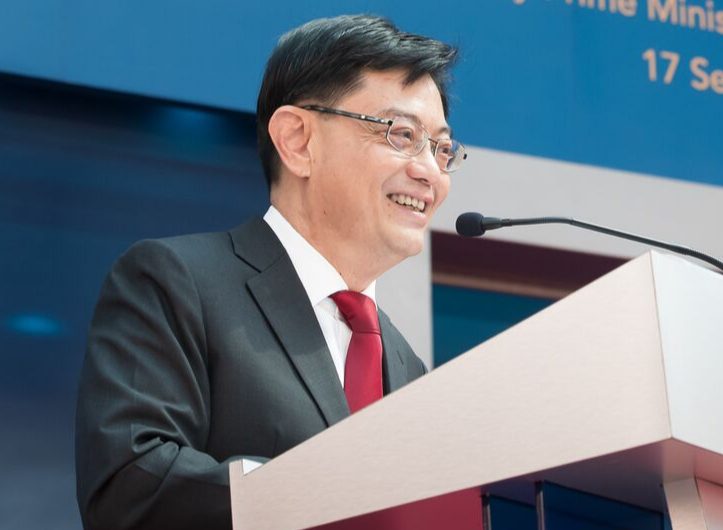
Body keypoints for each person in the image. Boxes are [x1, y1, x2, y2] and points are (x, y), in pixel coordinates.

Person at [75, 15, 463, 529]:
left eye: (441, 148)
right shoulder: (176, 282)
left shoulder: (408, 368)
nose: (430, 171)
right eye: (401, 134)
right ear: (298, 140)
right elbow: (131, 484)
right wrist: (313, 494)